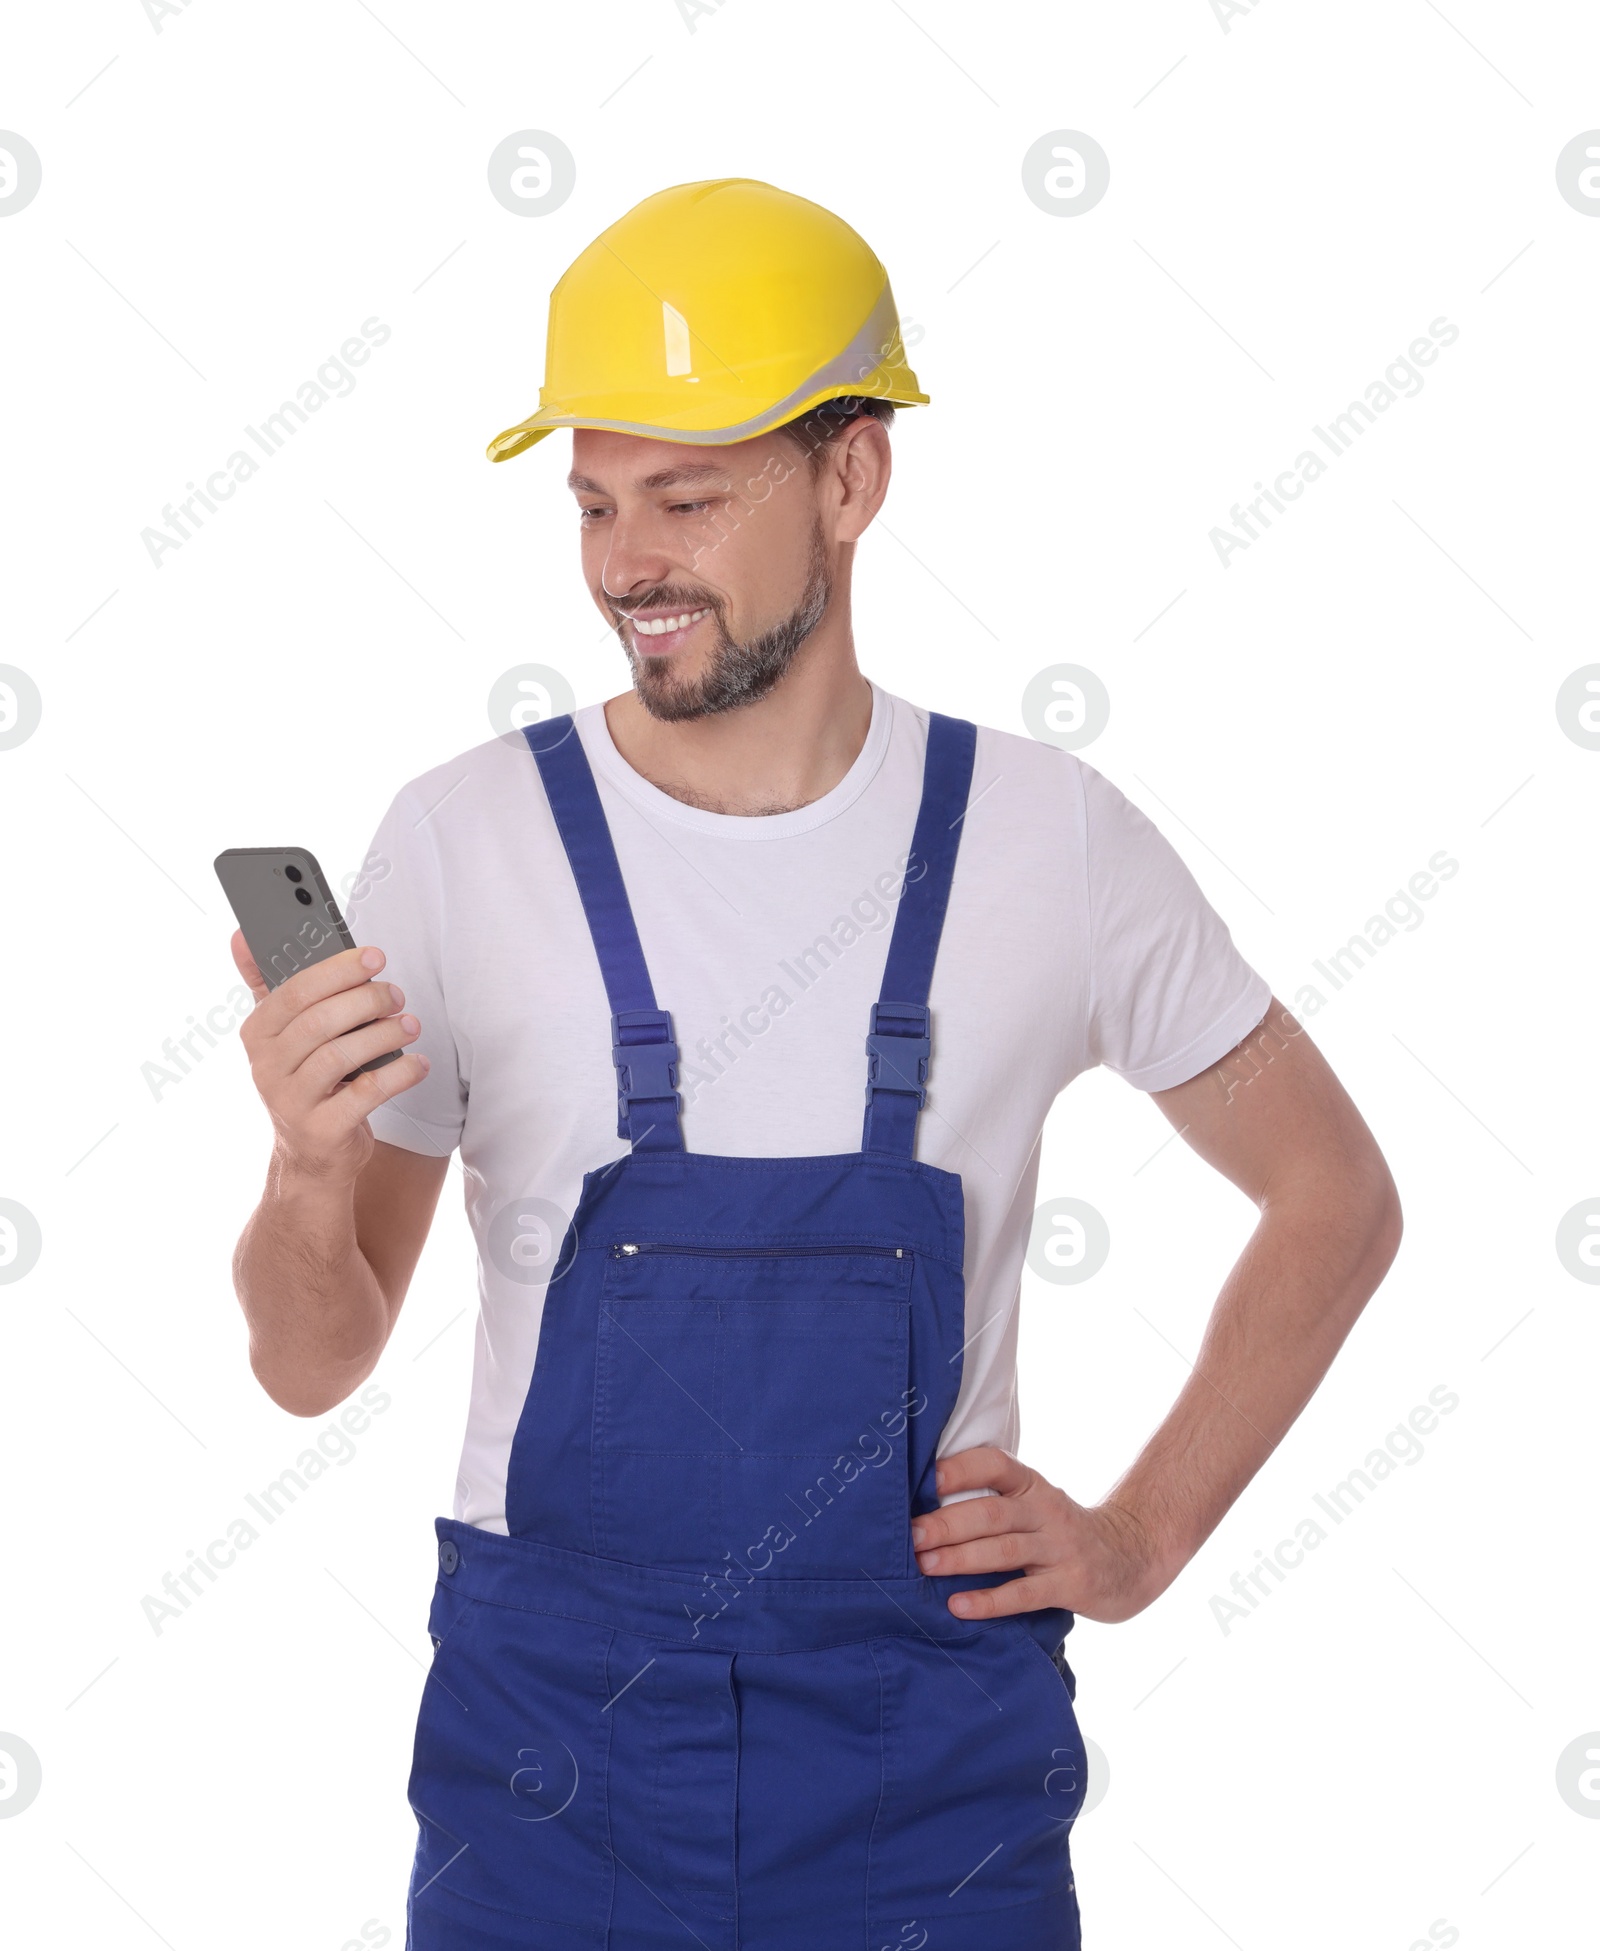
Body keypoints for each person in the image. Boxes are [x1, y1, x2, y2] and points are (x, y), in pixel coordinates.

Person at [226, 179, 1402, 1950]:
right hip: (553, 1773)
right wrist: (312, 1171)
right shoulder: (463, 843)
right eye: (598, 501)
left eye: (690, 499)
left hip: (927, 1777)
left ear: (852, 481)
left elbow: (1335, 1197)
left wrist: (1141, 1539)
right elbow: (312, 1367)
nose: (630, 564)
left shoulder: (1049, 841)